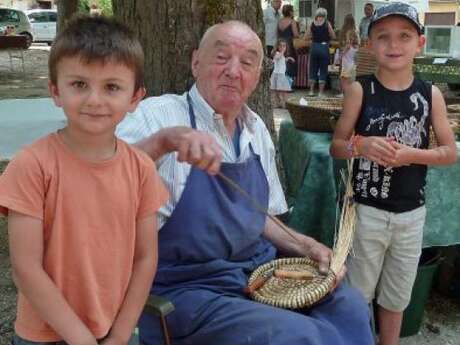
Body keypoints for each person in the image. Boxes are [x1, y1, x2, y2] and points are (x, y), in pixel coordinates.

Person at [117, 20, 374, 345]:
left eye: (247, 62)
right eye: (221, 57)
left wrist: (305, 245)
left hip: (254, 275)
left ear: (257, 75)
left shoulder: (256, 130)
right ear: (196, 62)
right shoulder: (155, 117)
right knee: (302, 337)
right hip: (185, 289)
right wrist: (163, 142)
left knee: (349, 308)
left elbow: (260, 215)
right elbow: (98, 179)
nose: (233, 71)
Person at [0, 15, 169, 345]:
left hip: (115, 330)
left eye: (111, 87)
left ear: (135, 98)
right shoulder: (31, 165)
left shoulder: (141, 170)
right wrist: (80, 338)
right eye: (79, 84)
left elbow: (146, 257)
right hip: (44, 335)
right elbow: (25, 267)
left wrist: (121, 334)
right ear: (55, 91)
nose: (95, 99)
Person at [330, 3, 458, 345]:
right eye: (383, 37)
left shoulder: (430, 95)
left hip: (411, 215)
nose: (394, 44)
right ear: (370, 44)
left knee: (397, 297)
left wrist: (411, 155)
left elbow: (449, 152)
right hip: (366, 212)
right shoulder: (361, 90)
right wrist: (362, 146)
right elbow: (337, 145)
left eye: (404, 36)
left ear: (420, 42)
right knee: (358, 296)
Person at [305, 7, 336, 97]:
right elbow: (333, 36)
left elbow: (306, 37)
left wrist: (313, 37)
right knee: (323, 69)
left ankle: (311, 91)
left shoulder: (312, 23)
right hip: (324, 47)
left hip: (314, 47)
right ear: (325, 15)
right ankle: (320, 93)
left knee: (313, 68)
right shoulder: (327, 23)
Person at [338, 14, 359, 96]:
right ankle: (350, 93)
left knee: (344, 77)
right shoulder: (355, 30)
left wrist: (340, 55)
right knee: (351, 77)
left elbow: (346, 45)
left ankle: (344, 93)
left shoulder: (346, 31)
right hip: (353, 56)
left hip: (347, 56)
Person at [270, 39, 295, 108]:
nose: (282, 47)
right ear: (277, 46)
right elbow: (277, 58)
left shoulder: (282, 55)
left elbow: (282, 60)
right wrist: (282, 52)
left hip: (282, 75)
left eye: (284, 46)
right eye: (280, 46)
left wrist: (288, 58)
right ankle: (277, 103)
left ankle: (282, 103)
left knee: (282, 91)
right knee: (277, 91)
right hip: (277, 75)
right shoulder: (277, 53)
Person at [277, 4, 299, 79]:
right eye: (292, 11)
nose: (293, 12)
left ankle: (281, 82)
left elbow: (277, 33)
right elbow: (296, 34)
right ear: (290, 12)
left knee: (281, 62)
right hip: (289, 43)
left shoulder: (279, 21)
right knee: (290, 62)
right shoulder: (292, 22)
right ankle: (289, 84)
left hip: (280, 43)